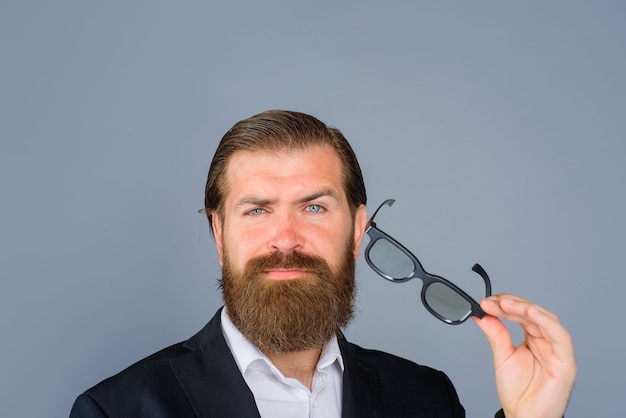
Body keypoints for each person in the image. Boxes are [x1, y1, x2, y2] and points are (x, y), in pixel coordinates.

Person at [70, 110, 576, 417]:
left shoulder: (426, 399)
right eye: (257, 210)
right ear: (219, 233)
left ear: (357, 231)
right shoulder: (119, 410)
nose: (286, 238)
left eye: (314, 207)